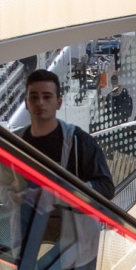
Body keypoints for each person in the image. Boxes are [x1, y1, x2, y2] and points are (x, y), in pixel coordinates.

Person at [18, 69, 114, 199]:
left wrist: (67, 193)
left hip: (69, 218)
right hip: (28, 218)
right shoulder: (16, 141)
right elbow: (5, 185)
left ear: (59, 103)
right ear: (26, 103)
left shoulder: (80, 141)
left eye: (47, 96)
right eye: (34, 97)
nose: (40, 102)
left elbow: (106, 188)